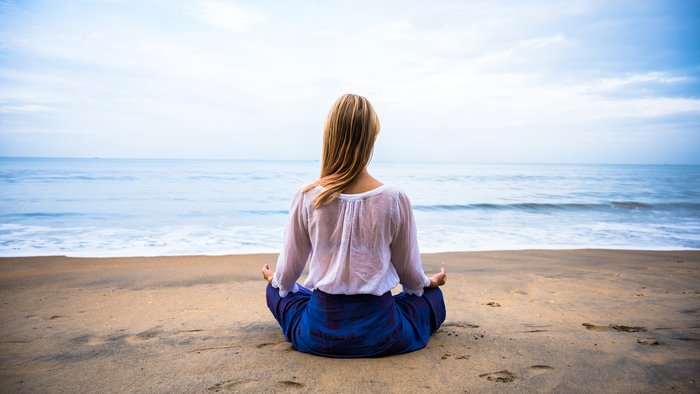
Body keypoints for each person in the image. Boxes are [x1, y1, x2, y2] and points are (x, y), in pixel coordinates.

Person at [262, 93, 446, 358]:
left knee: (278, 291)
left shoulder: (306, 196)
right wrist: (430, 282)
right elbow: (411, 279)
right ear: (371, 138)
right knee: (431, 297)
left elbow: (288, 276)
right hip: (383, 335)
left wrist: (273, 281)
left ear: (329, 137)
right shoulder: (394, 198)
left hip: (318, 334)